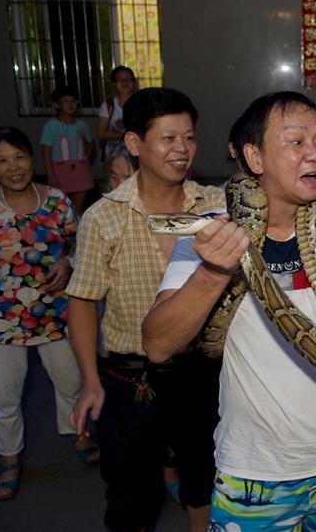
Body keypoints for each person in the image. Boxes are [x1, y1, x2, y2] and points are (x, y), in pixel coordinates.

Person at [142, 91, 316, 530]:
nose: (315, 154)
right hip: (254, 470)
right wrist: (213, 271)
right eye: (296, 142)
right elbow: (158, 344)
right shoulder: (211, 232)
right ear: (254, 158)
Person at [66, 88, 223, 532]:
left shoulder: (213, 207)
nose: (182, 149)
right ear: (134, 144)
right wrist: (90, 382)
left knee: (205, 480)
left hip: (201, 370)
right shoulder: (104, 218)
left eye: (189, 138)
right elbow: (81, 302)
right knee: (132, 494)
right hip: (130, 379)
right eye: (168, 138)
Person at [0, 126, 96, 501]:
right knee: (4, 395)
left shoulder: (57, 201)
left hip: (56, 312)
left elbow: (80, 246)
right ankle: (8, 459)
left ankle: (80, 434)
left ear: (32, 159)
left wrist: (68, 262)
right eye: (2, 160)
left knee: (72, 382)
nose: (14, 167)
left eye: (19, 157)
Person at [41, 85, 96, 214]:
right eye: (65, 101)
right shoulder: (51, 125)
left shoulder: (81, 124)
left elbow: (91, 142)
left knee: (78, 205)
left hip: (80, 170)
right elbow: (46, 152)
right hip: (60, 171)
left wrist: (86, 157)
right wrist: (50, 175)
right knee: (60, 206)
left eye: (73, 101)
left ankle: (78, 231)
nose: (70, 104)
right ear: (56, 105)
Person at [96, 65, 137, 160]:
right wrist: (123, 136)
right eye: (120, 79)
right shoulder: (108, 106)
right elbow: (101, 133)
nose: (124, 82)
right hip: (113, 156)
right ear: (114, 84)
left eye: (128, 79)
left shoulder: (142, 104)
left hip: (137, 157)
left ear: (133, 82)